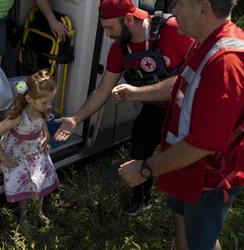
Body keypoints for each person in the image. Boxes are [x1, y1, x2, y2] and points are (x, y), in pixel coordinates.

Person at [117, 0, 244, 249]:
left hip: (207, 180)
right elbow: (180, 83)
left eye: (181, 4)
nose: (173, 11)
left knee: (201, 243)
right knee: (183, 226)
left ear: (202, 7)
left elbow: (203, 143)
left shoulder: (226, 61)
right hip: (185, 168)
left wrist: (145, 168)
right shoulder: (205, 43)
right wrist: (137, 93)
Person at [54, 0, 193, 215]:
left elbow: (190, 78)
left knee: (181, 159)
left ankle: (184, 208)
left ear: (129, 19)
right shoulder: (119, 50)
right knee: (139, 147)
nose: (108, 34)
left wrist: (137, 93)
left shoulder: (173, 31)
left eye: (110, 28)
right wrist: (75, 118)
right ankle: (142, 199)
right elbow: (102, 91)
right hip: (156, 107)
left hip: (187, 109)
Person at [0, 69, 59, 228]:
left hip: (35, 153)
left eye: (50, 101)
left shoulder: (42, 111)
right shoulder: (18, 117)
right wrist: (5, 159)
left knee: (39, 182)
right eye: (45, 102)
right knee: (25, 186)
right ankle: (24, 217)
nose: (49, 105)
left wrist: (46, 138)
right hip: (19, 155)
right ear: (29, 98)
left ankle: (39, 213)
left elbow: (43, 127)